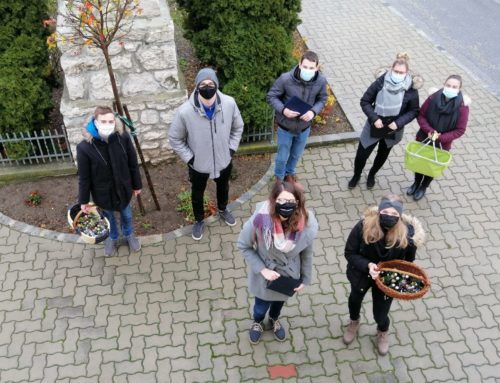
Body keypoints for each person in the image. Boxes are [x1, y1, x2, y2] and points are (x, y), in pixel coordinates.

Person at [237, 181, 318, 344]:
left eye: (289, 202)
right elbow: (243, 245)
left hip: (288, 276)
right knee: (260, 306)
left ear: (297, 202)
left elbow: (307, 253)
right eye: (280, 201)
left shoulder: (306, 223)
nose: (285, 205)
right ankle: (257, 322)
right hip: (265, 276)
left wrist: (305, 278)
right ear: (274, 201)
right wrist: (262, 269)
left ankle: (274, 319)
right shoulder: (260, 219)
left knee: (278, 304)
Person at [343, 195, 424, 355]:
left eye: (394, 214)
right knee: (354, 300)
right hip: (361, 274)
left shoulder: (407, 237)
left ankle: (382, 330)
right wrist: (367, 265)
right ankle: (354, 322)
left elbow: (408, 264)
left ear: (400, 216)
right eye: (386, 211)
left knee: (381, 312)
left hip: (388, 280)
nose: (389, 216)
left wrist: (398, 277)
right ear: (379, 211)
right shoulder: (363, 227)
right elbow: (349, 252)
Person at [168, 68, 244, 241]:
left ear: (216, 85)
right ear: (196, 87)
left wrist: (231, 149)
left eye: (211, 84)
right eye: (203, 84)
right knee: (197, 193)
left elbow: (238, 126)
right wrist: (190, 158)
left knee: (223, 187)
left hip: (224, 159)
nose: (207, 87)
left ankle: (223, 209)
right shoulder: (185, 112)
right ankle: (199, 220)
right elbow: (175, 138)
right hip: (199, 164)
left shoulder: (229, 104)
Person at [77, 106, 142, 256]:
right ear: (95, 122)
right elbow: (84, 177)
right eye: (103, 121)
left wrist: (136, 185)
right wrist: (84, 200)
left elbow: (132, 163)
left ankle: (128, 234)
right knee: (109, 217)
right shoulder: (84, 147)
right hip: (102, 193)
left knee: (126, 215)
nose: (107, 124)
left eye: (110, 121)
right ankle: (112, 237)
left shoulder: (123, 137)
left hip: (123, 188)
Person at [348, 53, 420, 189]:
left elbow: (414, 111)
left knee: (382, 155)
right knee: (361, 155)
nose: (398, 74)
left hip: (393, 129)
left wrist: (398, 123)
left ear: (407, 73)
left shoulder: (411, 90)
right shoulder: (380, 82)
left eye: (401, 72)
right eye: (396, 71)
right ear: (391, 69)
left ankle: (371, 175)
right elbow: (365, 101)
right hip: (374, 125)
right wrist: (374, 118)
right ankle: (356, 175)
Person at [267, 51, 328, 182]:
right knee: (282, 157)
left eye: (311, 68)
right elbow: (271, 96)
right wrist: (284, 110)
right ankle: (279, 177)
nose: (307, 70)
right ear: (299, 64)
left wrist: (313, 112)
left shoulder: (321, 81)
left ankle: (289, 174)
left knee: (295, 155)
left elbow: (323, 98)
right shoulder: (285, 79)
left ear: (317, 68)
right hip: (285, 127)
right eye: (305, 67)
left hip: (304, 128)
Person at [407, 75, 470, 200]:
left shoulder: (463, 107)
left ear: (459, 88)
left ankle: (423, 187)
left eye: (454, 87)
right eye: (448, 85)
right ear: (444, 84)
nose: (450, 88)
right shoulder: (433, 97)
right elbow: (421, 115)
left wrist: (441, 137)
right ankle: (416, 182)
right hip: (424, 137)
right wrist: (429, 131)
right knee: (419, 162)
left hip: (442, 144)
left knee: (432, 166)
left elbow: (460, 130)